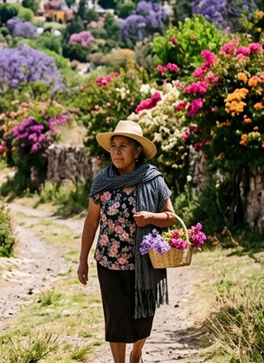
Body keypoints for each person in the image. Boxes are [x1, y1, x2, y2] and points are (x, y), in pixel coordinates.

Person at [77, 120, 175, 363]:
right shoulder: (102, 182)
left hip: (145, 262)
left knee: (144, 317)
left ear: (137, 150)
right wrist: (83, 261)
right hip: (109, 264)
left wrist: (151, 217)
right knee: (116, 319)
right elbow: (91, 223)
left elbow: (170, 216)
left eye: (123, 146)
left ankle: (137, 353)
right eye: (113, 146)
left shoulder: (152, 179)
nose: (116, 151)